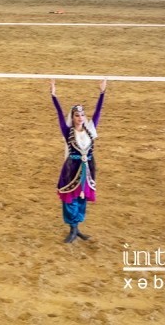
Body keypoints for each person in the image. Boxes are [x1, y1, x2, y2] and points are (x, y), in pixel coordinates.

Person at [50, 78, 107, 244]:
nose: (80, 117)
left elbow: (98, 112)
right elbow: (59, 113)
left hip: (87, 167)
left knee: (82, 197)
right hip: (71, 169)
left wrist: (102, 93)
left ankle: (77, 228)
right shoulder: (67, 131)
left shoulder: (90, 129)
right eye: (77, 115)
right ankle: (73, 228)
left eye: (82, 115)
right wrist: (53, 95)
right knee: (70, 198)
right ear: (73, 117)